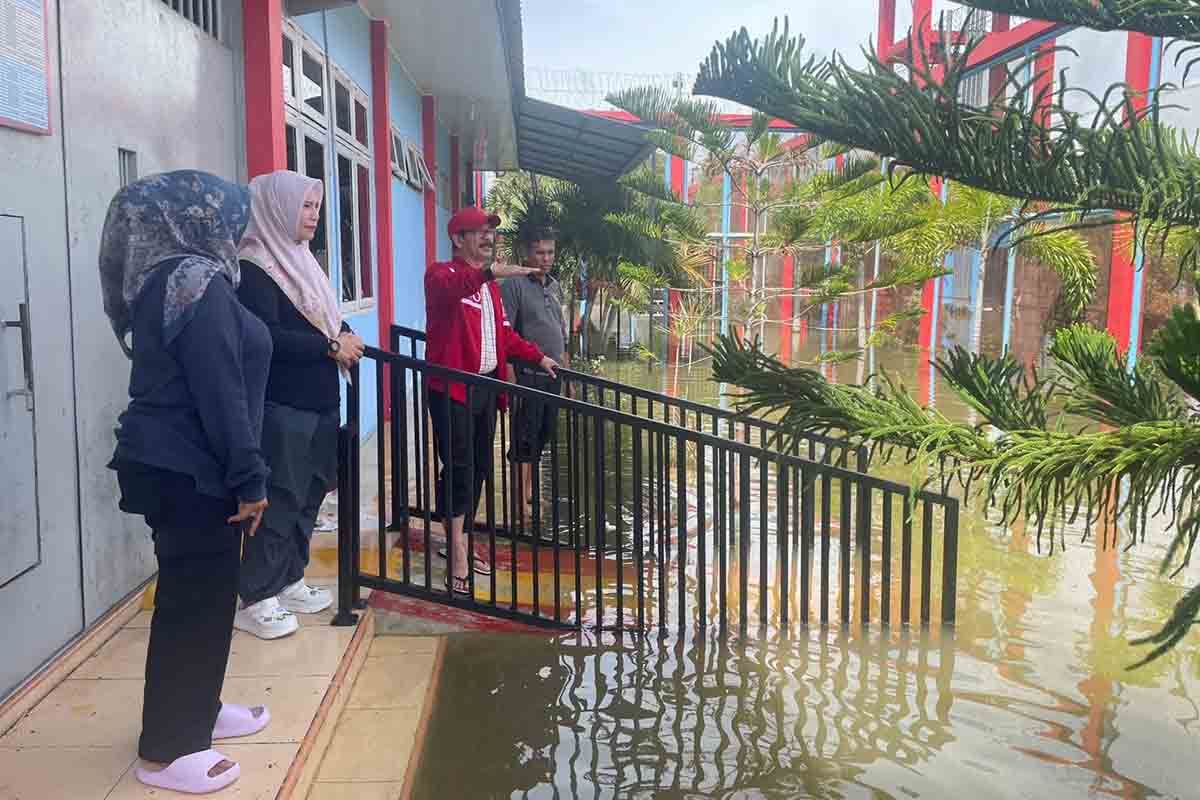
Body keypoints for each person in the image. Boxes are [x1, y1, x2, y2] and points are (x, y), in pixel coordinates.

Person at [100, 170, 272, 794]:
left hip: (177, 462)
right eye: (231, 216)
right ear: (196, 219)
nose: (238, 228)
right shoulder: (196, 285)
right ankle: (167, 750)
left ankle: (197, 710)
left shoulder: (165, 281)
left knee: (201, 595)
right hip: (193, 469)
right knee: (191, 602)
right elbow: (219, 389)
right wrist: (250, 477)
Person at [233, 170, 364, 639]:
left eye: (316, 207)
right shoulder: (254, 268)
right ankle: (254, 596)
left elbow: (322, 315)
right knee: (281, 497)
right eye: (305, 206)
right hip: (284, 403)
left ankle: (289, 578)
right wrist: (330, 348)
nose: (313, 216)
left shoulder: (301, 260)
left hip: (319, 399)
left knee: (310, 492)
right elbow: (266, 336)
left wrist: (344, 332)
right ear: (276, 208)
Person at [425, 206, 559, 594]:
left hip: (485, 388)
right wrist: (489, 274)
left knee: (481, 467)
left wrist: (538, 356)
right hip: (452, 388)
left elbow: (504, 336)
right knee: (459, 468)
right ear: (457, 239)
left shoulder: (489, 289)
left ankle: (462, 539)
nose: (488, 237)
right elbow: (451, 291)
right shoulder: (441, 274)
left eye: (490, 232)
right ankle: (457, 550)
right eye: (478, 231)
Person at [500, 229, 570, 518]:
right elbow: (506, 332)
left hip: (553, 376)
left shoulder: (554, 286)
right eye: (540, 252)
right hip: (527, 374)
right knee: (523, 441)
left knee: (540, 437)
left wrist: (568, 376)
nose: (546, 259)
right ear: (528, 253)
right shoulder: (514, 285)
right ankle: (518, 504)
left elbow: (562, 334)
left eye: (550, 252)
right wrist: (509, 378)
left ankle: (528, 493)